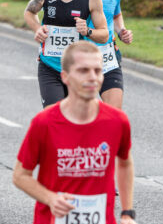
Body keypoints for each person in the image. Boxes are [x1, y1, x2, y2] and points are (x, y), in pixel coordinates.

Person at [13, 41, 137, 224]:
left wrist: (127, 213)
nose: (92, 77)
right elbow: (20, 175)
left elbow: (125, 164)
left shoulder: (117, 121)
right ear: (65, 77)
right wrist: (50, 198)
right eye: (83, 71)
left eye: (97, 70)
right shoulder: (44, 123)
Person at [24, 0, 109, 108]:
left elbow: (104, 34)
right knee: (53, 115)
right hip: (49, 66)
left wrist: (88, 31)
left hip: (77, 69)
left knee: (76, 118)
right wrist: (37, 28)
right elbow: (29, 12)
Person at [82, 0, 133, 109]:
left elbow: (116, 15)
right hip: (82, 58)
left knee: (114, 114)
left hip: (108, 57)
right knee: (83, 114)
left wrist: (122, 31)